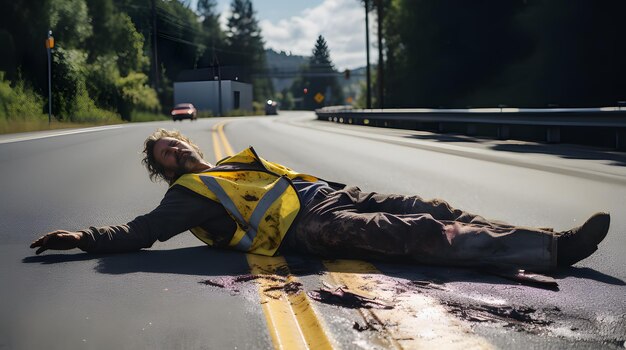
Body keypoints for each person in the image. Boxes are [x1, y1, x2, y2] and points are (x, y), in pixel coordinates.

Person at [30, 129, 611, 272]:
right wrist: (84, 237)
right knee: (421, 234)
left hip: (333, 194)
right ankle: (555, 251)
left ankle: (538, 234)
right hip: (312, 228)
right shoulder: (186, 197)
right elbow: (139, 231)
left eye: (176, 143)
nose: (177, 151)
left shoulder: (232, 162)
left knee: (435, 207)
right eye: (165, 155)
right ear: (164, 172)